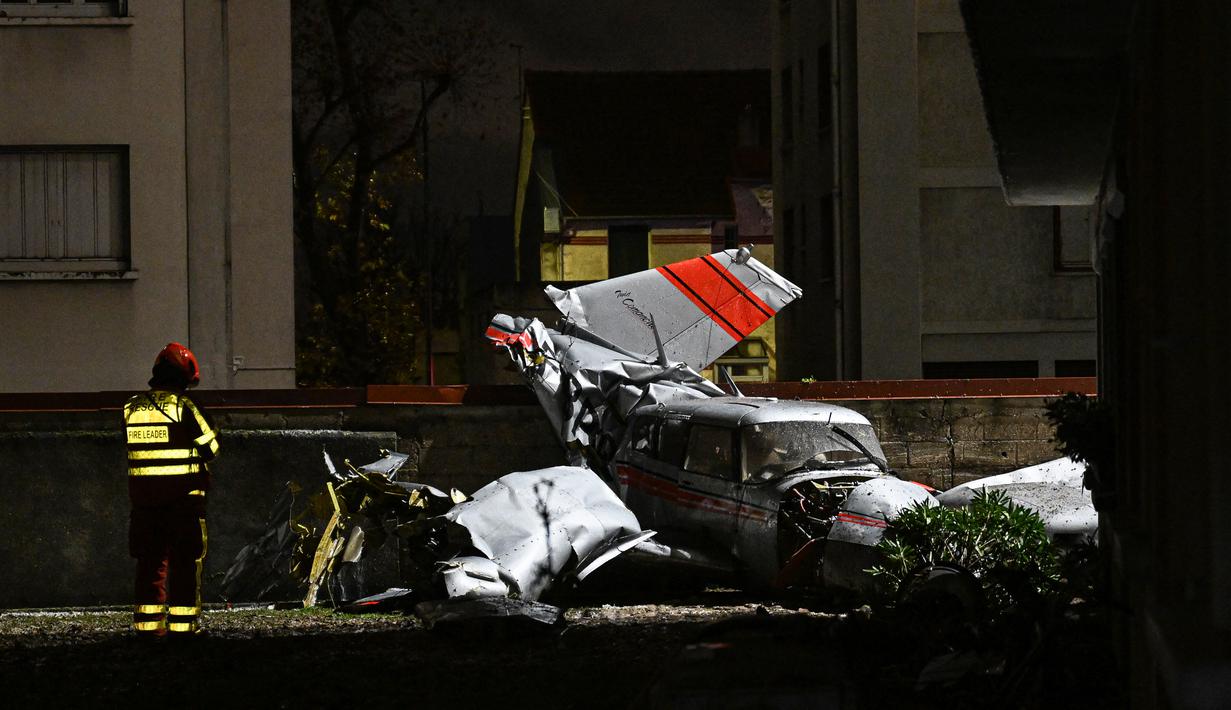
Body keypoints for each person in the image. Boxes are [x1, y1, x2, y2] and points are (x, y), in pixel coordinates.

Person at [122, 342, 219, 638]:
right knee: (184, 566)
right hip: (183, 504)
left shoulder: (131, 408)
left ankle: (148, 628)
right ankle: (182, 628)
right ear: (184, 377)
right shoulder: (185, 406)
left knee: (150, 565)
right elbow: (211, 448)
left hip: (144, 504)